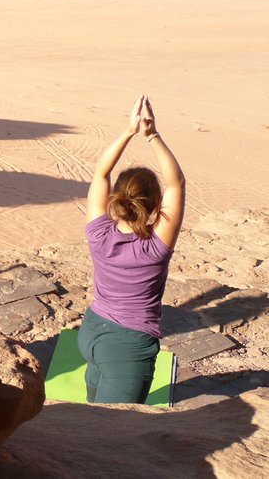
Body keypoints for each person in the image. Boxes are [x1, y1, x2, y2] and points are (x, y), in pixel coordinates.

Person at [77, 95, 185, 403]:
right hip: (127, 347)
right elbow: (177, 184)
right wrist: (152, 135)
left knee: (92, 411)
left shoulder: (98, 233)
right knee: (112, 434)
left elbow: (100, 173)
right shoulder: (156, 246)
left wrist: (129, 131)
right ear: (154, 206)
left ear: (116, 198)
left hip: (92, 329)